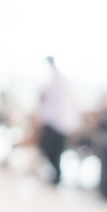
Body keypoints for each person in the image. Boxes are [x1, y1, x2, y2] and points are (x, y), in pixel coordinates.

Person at [37, 56, 80, 185]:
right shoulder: (56, 80)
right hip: (55, 121)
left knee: (54, 149)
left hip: (59, 122)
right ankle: (57, 173)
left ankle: (57, 175)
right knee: (49, 148)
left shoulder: (59, 80)